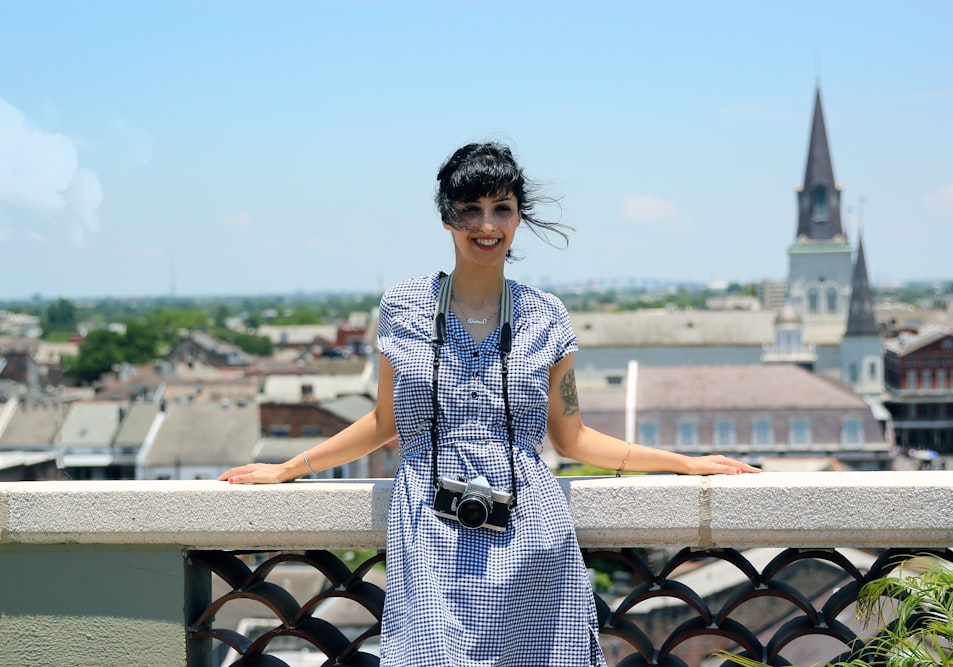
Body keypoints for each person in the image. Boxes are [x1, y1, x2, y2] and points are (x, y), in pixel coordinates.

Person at [219, 141, 760, 666]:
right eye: (470, 210)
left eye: (501, 208)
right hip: (428, 532)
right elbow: (386, 422)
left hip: (529, 532)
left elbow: (573, 439)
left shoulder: (546, 317)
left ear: (518, 217)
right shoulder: (405, 307)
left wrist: (683, 463)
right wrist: (290, 468)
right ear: (446, 219)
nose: (486, 225)